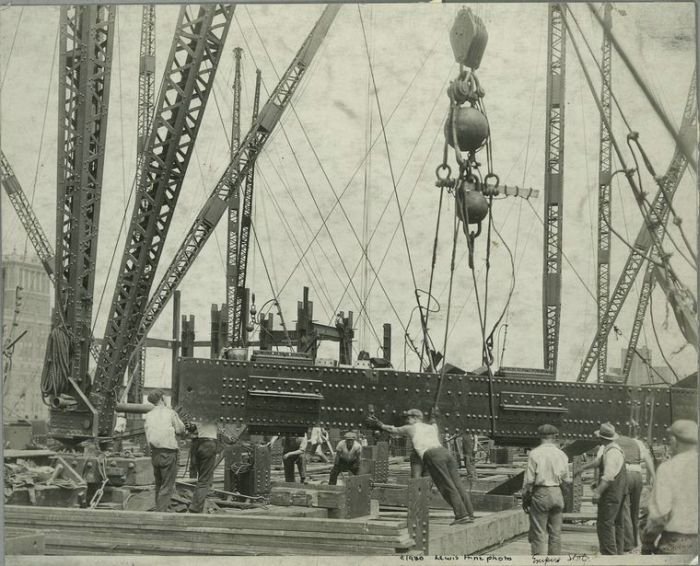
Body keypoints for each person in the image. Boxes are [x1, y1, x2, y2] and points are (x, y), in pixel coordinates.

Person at [369, 408, 475, 525]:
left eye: (409, 418)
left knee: (446, 486)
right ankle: (470, 514)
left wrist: (379, 424)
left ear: (415, 418)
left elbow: (392, 429)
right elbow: (434, 420)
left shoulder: (411, 428)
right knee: (458, 485)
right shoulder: (431, 427)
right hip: (445, 453)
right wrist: (433, 415)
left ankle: (461, 515)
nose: (407, 420)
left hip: (433, 456)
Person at [642, 419, 697, 556]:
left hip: (676, 543)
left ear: (674, 440)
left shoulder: (668, 468)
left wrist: (648, 542)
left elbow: (659, 516)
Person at [521, 424, 572, 556]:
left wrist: (525, 499)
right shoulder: (562, 454)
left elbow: (529, 480)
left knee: (538, 533)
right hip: (557, 492)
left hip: (541, 493)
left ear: (540, 437)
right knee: (555, 534)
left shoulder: (534, 453)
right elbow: (567, 479)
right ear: (555, 437)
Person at [144, 390, 186, 512]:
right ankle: (160, 514)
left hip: (155, 454)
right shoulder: (170, 413)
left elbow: (148, 436)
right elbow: (180, 429)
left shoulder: (149, 415)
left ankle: (159, 507)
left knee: (158, 484)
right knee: (167, 486)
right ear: (162, 398)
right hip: (168, 453)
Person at [590, 422, 627, 555]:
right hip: (620, 491)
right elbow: (599, 462)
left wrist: (597, 492)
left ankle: (609, 555)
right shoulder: (613, 448)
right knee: (618, 524)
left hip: (611, 493)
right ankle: (618, 553)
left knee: (605, 524)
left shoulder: (611, 453)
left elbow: (609, 476)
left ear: (602, 438)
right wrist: (583, 468)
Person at [616, 433, 656, 551]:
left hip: (625, 475)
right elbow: (648, 459)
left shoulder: (612, 443)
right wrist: (654, 476)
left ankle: (628, 544)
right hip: (638, 476)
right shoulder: (637, 443)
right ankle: (636, 541)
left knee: (625, 510)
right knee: (635, 511)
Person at [188, 419, 219, 513]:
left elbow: (192, 428)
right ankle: (196, 507)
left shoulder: (198, 414)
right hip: (209, 443)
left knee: (201, 476)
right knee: (204, 480)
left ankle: (196, 501)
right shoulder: (213, 413)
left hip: (199, 443)